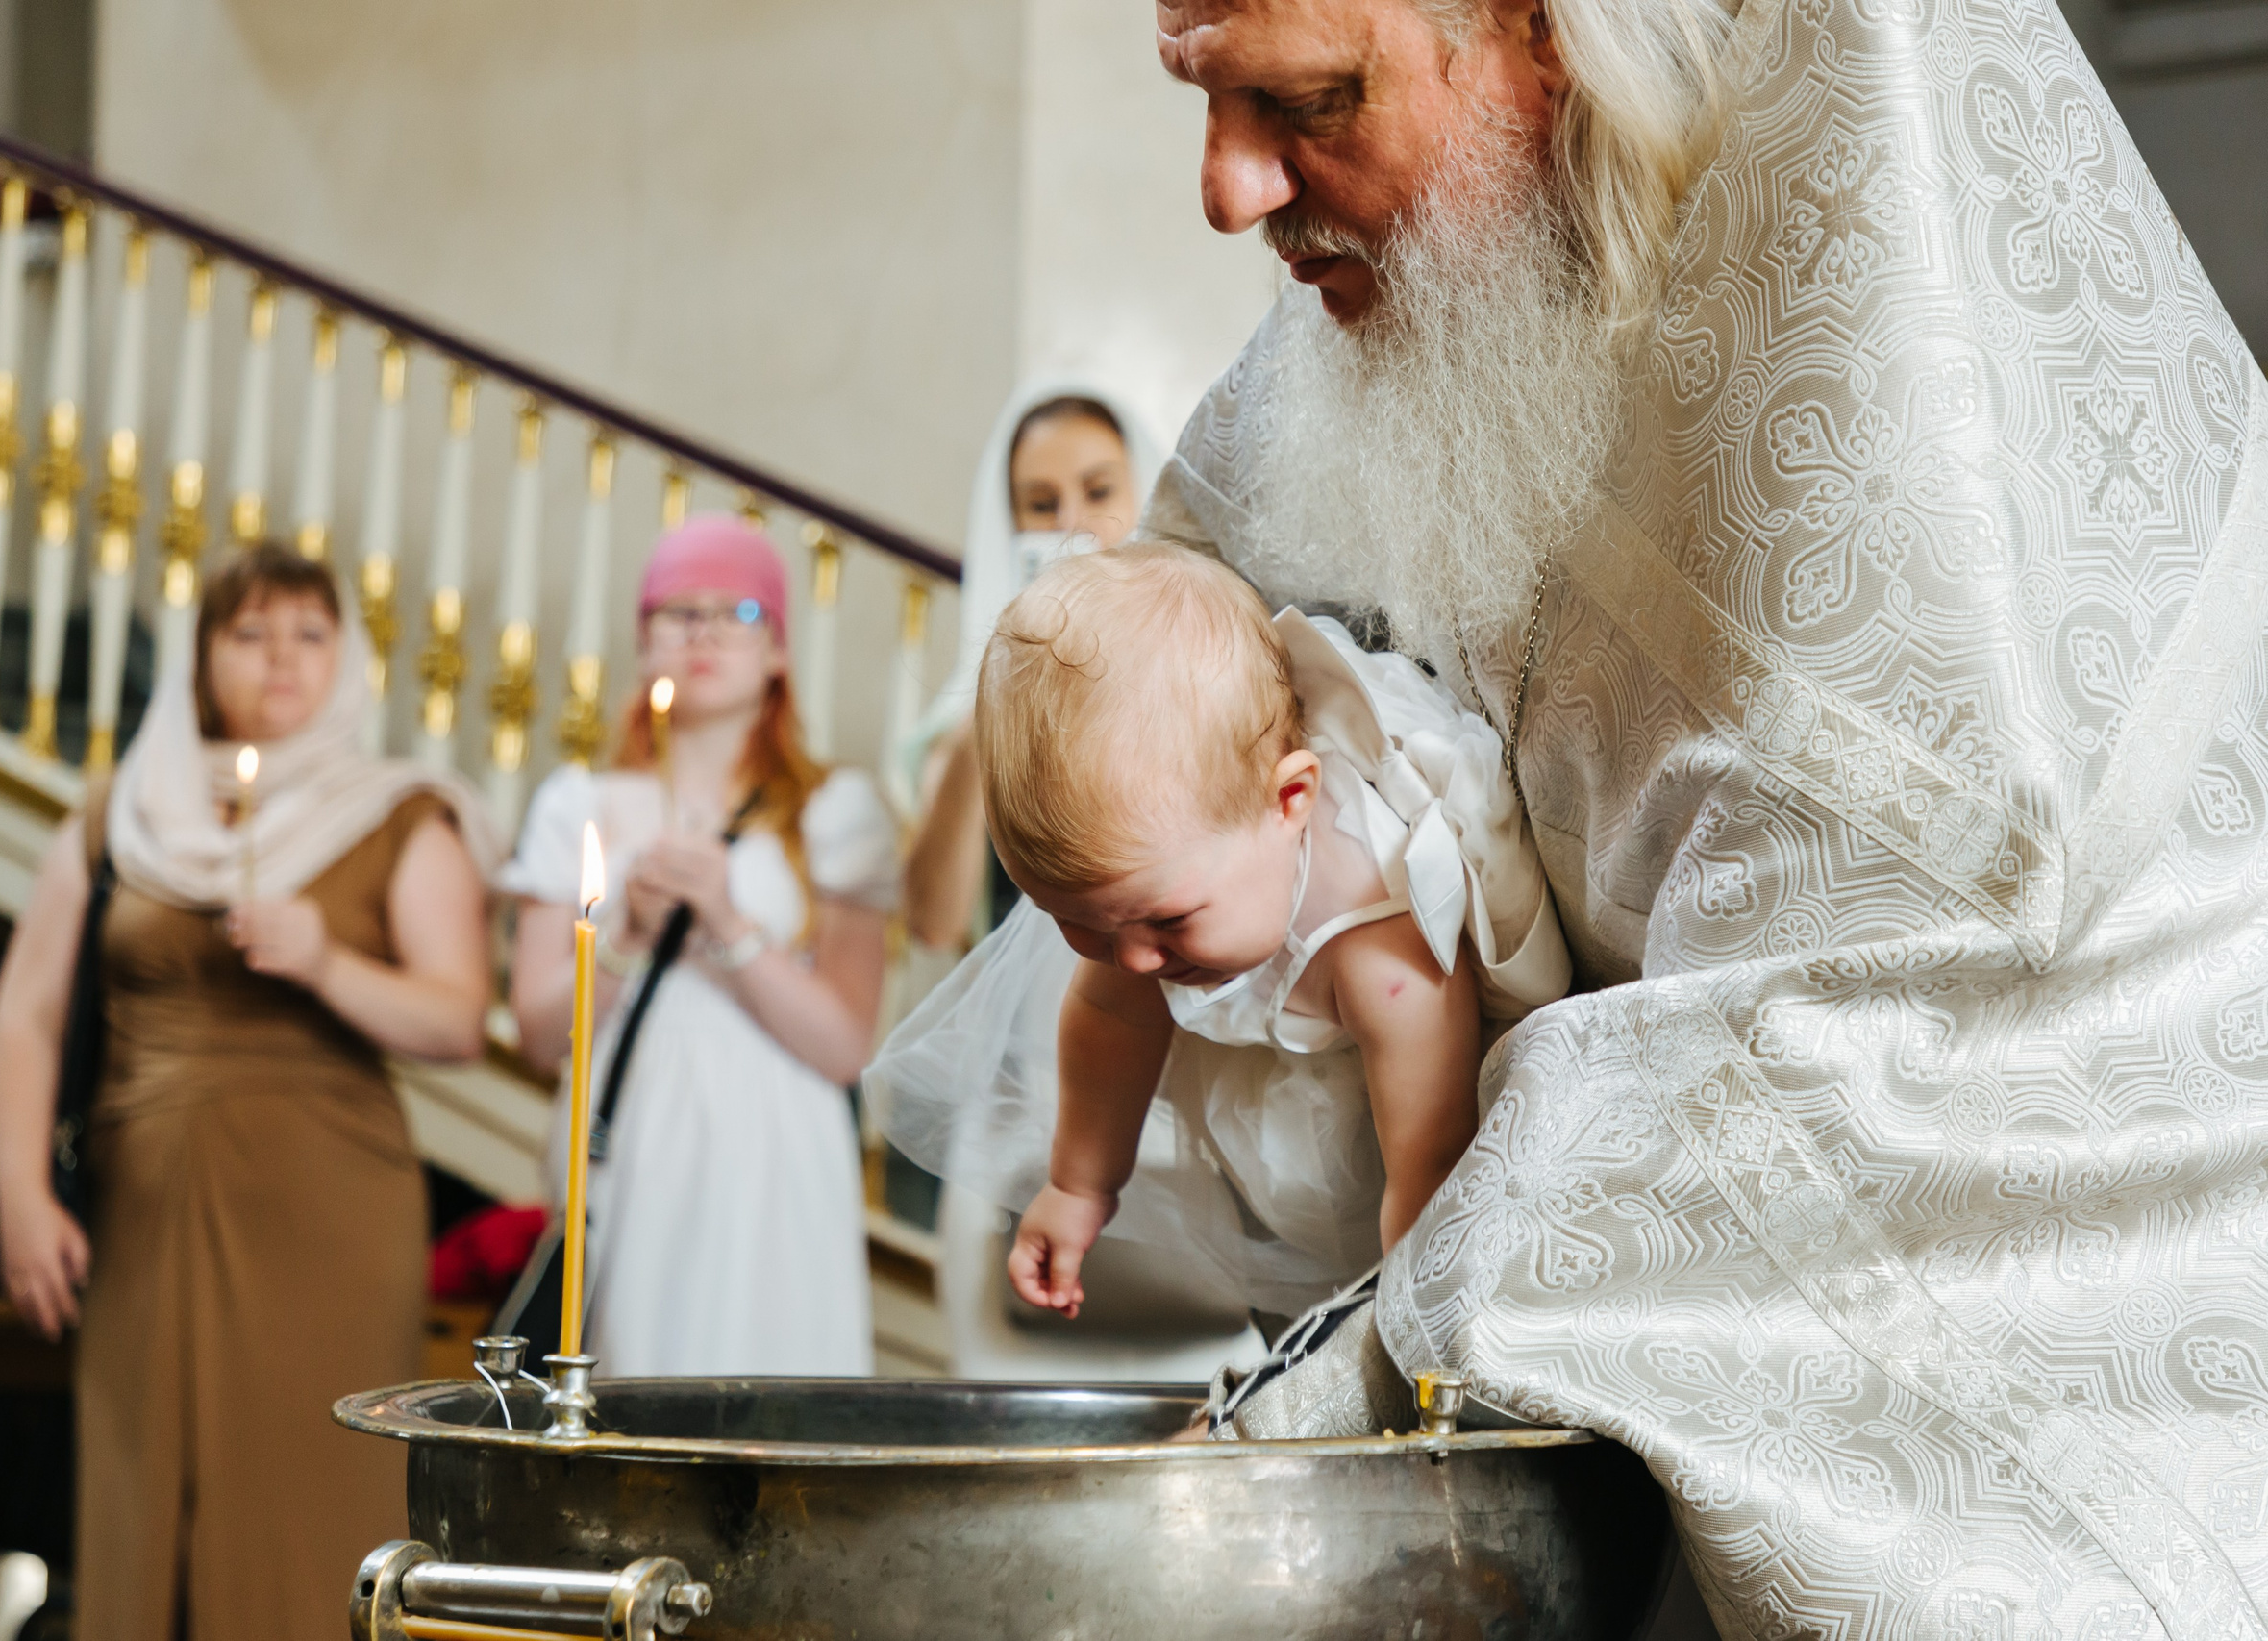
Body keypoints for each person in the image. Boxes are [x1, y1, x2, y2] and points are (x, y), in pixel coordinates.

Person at [1137, 0, 2268, 1629]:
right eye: (1204, 98)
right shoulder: (1429, 276)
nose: (1231, 190)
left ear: (1563, 42)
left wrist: (1309, 1414)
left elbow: (1835, 1033)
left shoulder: (1885, 317)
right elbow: (1177, 600)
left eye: (1310, 98)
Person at [0, 541, 495, 1641]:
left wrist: (325, 962)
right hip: (140, 1203)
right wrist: (21, 1192)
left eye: (310, 635)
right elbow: (24, 1014)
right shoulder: (123, 810)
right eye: (249, 633)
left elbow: (458, 1021)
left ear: (347, 659)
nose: (281, 662)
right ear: (202, 654)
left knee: (304, 1500)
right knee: (138, 1495)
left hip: (325, 1207)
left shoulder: (400, 814)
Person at [877, 545, 1567, 1322]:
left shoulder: (1382, 942)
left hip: (1423, 1086)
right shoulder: (1154, 894)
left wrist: (1407, 1307)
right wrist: (1077, 1185)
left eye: (1167, 920)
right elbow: (1107, 1020)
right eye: (1078, 925)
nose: (1135, 958)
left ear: (1289, 801)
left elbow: (1430, 1165)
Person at [505, 514, 896, 1377]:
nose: (707, 632)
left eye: (739, 613)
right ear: (644, 643)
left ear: (780, 652)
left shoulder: (835, 813)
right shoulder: (583, 806)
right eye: (679, 613)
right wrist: (629, 937)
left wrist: (728, 926)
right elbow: (538, 1032)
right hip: (635, 1130)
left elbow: (843, 1047)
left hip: (778, 1146)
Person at [901, 384, 1159, 954]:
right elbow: (932, 923)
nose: (1072, 522)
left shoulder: (1207, 665)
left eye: (1099, 491)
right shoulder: (966, 718)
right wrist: (990, 715)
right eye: (1041, 505)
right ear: (1008, 523)